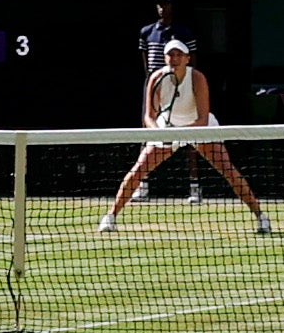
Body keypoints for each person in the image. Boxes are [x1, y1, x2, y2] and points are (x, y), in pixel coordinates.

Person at [97, 36, 269, 237]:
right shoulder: (155, 79)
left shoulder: (197, 78)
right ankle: (111, 216)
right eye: (170, 54)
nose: (174, 59)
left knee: (228, 171)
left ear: (187, 59)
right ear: (165, 58)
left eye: (179, 55)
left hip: (199, 127)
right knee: (139, 169)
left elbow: (203, 119)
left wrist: (179, 134)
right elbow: (149, 116)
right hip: (168, 126)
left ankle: (260, 216)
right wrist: (160, 133)